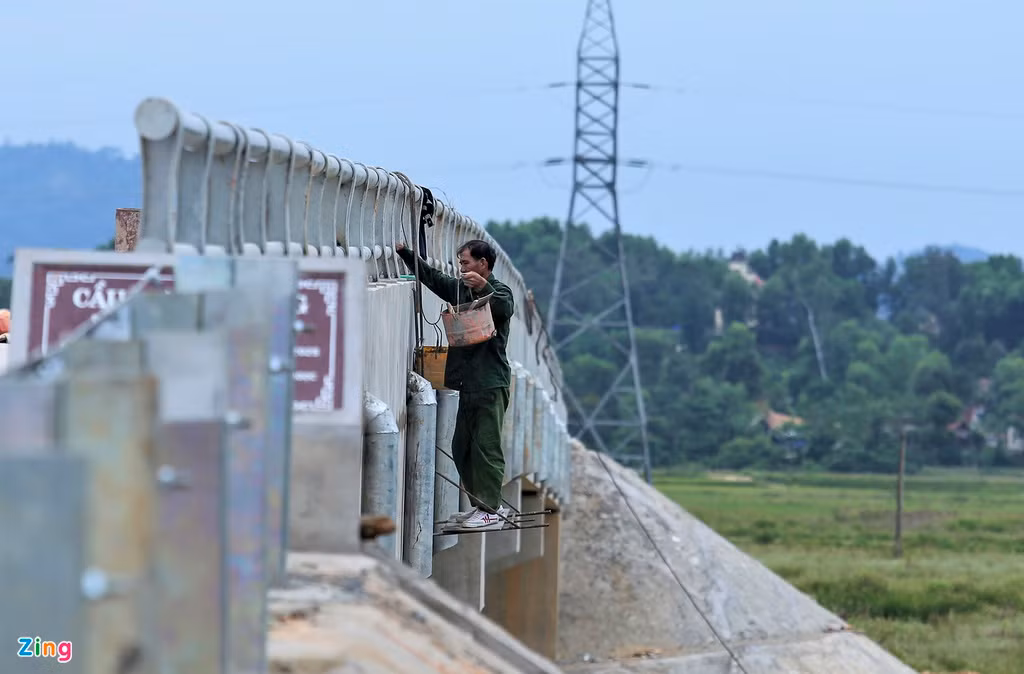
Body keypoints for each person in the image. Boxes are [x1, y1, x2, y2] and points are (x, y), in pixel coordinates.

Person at [396, 239, 514, 530]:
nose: (461, 268)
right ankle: (483, 505)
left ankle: (490, 510)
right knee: (461, 446)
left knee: (485, 447)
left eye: (466, 263)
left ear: (483, 264)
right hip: (468, 384)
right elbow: (433, 277)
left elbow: (504, 308)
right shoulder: (460, 289)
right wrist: (405, 253)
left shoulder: (499, 291)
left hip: (490, 384)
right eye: (460, 263)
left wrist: (483, 288)